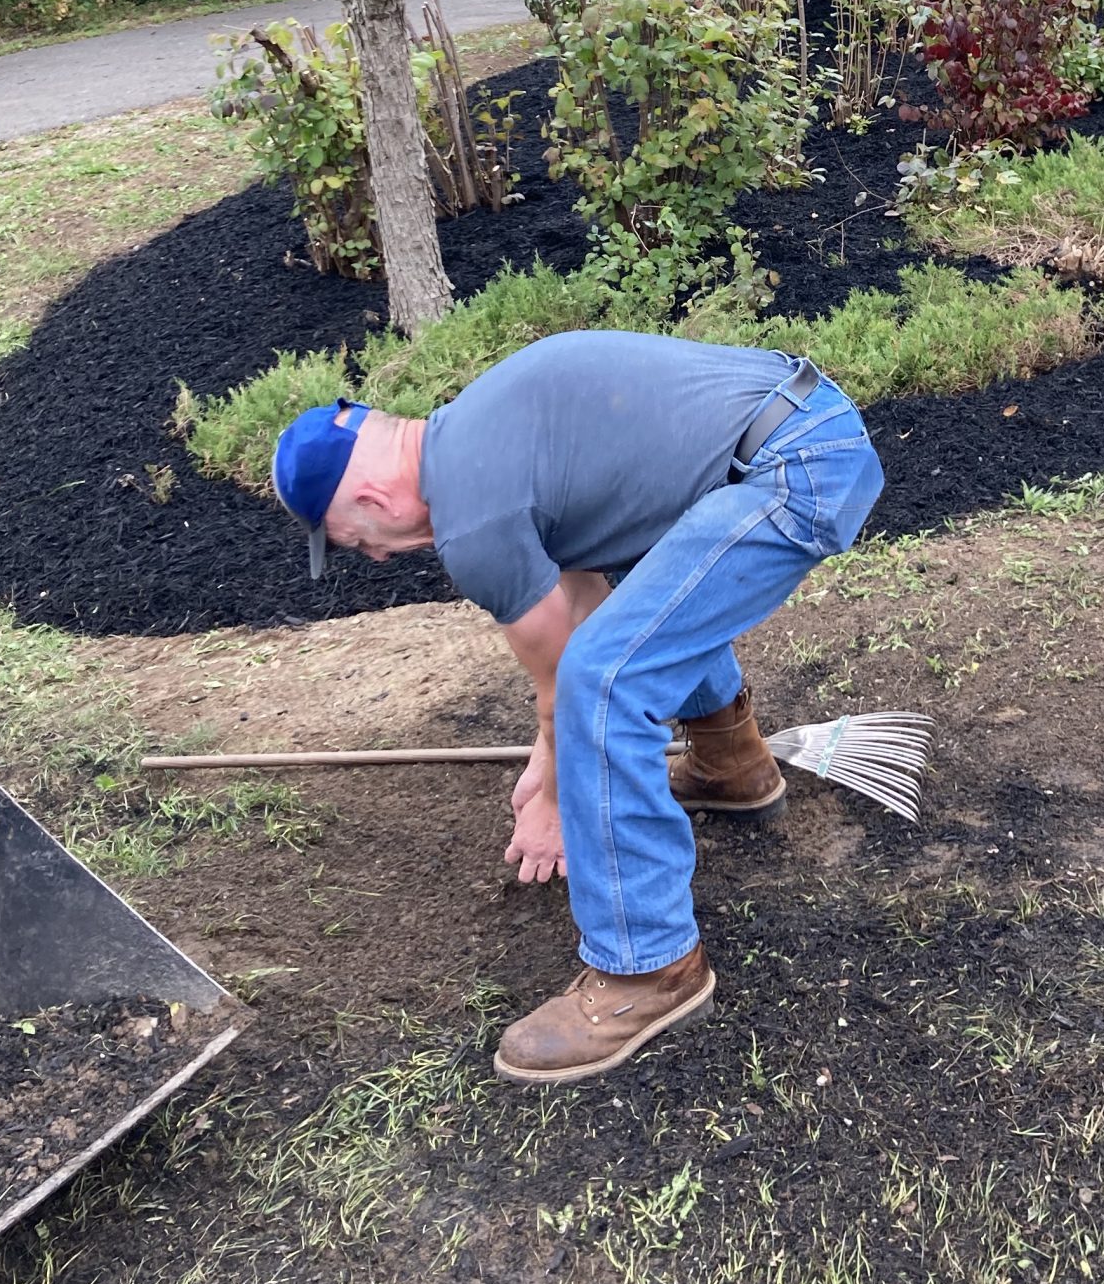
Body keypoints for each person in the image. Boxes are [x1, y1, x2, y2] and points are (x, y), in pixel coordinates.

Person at [270, 330, 883, 1084]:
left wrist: (556, 802)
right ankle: (733, 766)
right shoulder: (477, 441)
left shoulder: (474, 521)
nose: (373, 555)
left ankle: (647, 968)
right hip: (796, 431)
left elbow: (575, 675)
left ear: (369, 499)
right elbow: (591, 614)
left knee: (608, 682)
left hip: (795, 470)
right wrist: (550, 767)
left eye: (352, 540)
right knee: (625, 639)